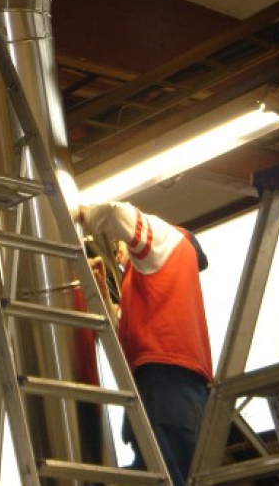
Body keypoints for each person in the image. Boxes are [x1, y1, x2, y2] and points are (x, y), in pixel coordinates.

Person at [76, 200, 212, 486]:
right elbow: (125, 335)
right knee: (154, 472)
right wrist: (103, 295)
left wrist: (79, 215)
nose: (117, 250)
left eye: (118, 244)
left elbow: (117, 213)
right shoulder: (146, 278)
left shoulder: (167, 239)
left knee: (164, 475)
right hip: (163, 383)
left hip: (166, 381)